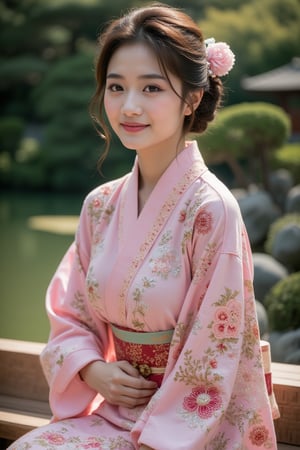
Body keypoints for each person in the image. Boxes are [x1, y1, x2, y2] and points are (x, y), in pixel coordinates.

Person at [9, 3, 278, 449]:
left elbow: (214, 350)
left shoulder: (212, 210)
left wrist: (160, 434)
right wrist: (93, 369)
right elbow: (71, 313)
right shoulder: (100, 206)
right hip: (117, 415)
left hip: (189, 427)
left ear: (191, 99)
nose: (129, 106)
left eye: (151, 87)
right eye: (116, 87)